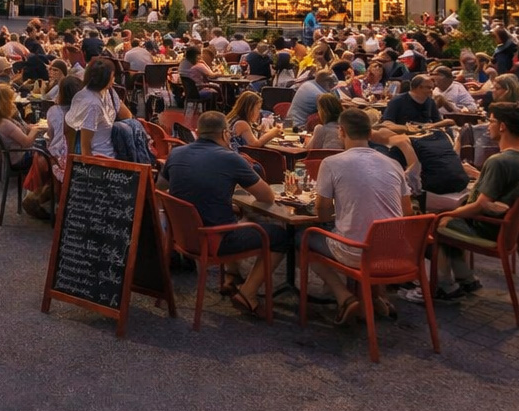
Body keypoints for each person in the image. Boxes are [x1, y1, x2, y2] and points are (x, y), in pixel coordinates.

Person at [159, 110, 289, 316]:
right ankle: (248, 293)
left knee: (230, 214)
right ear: (225, 134)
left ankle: (232, 276)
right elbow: (267, 197)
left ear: (198, 132)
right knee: (280, 237)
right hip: (214, 240)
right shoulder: (231, 158)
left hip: (182, 237)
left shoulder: (176, 153)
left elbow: (160, 187)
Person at [409, 103, 519, 302]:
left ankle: (443, 286)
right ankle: (465, 278)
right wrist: (480, 176)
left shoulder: (499, 161)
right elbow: (510, 186)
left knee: (438, 222)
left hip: (488, 228)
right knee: (449, 218)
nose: (488, 125)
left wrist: (449, 214)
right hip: (508, 227)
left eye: (491, 121)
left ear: (502, 126)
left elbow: (480, 205)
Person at [307, 109, 411, 324]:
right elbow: (407, 212)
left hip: (357, 252)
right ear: (370, 133)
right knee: (363, 230)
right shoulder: (394, 164)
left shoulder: (332, 163)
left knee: (303, 238)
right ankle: (374, 297)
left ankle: (344, 297)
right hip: (396, 251)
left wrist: (341, 211)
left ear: (341, 132)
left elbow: (322, 211)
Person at [69, 59, 133, 159]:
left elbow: (127, 116)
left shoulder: (109, 92)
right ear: (104, 80)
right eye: (112, 77)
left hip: (113, 155)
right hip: (101, 159)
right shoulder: (92, 105)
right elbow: (85, 148)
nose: (114, 80)